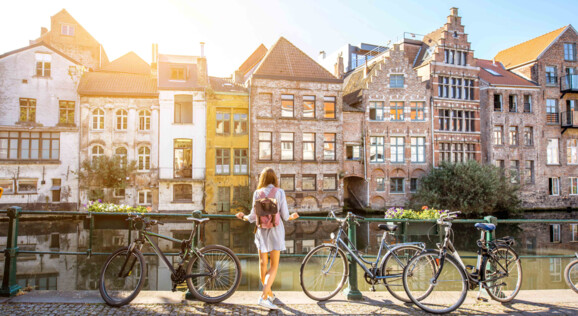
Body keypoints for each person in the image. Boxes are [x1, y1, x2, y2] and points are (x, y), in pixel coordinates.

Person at [236, 167, 299, 310]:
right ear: (274, 179)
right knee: (274, 266)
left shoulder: (257, 193)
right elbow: (284, 216)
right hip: (276, 231)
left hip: (261, 231)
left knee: (262, 264)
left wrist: (242, 216)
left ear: (262, 179)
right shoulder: (280, 192)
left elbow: (252, 216)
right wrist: (292, 216)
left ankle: (269, 293)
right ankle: (264, 297)